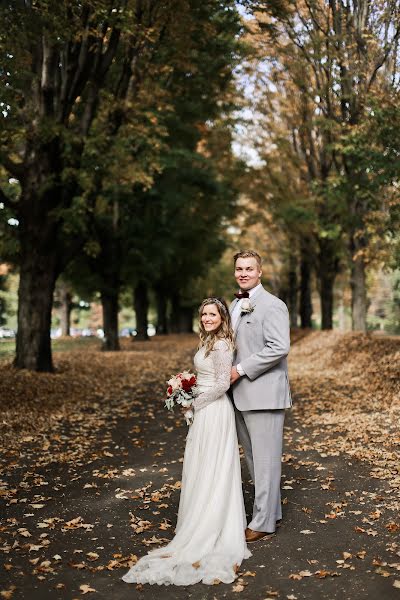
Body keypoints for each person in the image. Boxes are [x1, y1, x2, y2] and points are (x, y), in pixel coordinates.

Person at [122, 297, 250, 586]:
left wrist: (194, 403)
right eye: (204, 314)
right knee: (201, 465)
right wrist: (185, 389)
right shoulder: (208, 341)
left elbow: (221, 384)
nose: (207, 318)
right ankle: (199, 516)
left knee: (213, 467)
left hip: (214, 411)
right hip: (205, 410)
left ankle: (212, 525)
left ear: (222, 317)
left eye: (212, 314)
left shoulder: (221, 344)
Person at [230, 250, 291, 543]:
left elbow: (279, 347)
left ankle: (264, 522)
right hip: (239, 394)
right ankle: (271, 511)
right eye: (239, 268)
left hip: (264, 393)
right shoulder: (234, 304)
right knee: (255, 460)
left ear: (260, 272)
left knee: (265, 461)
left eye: (249, 268)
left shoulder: (273, 305)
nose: (244, 273)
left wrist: (239, 369)